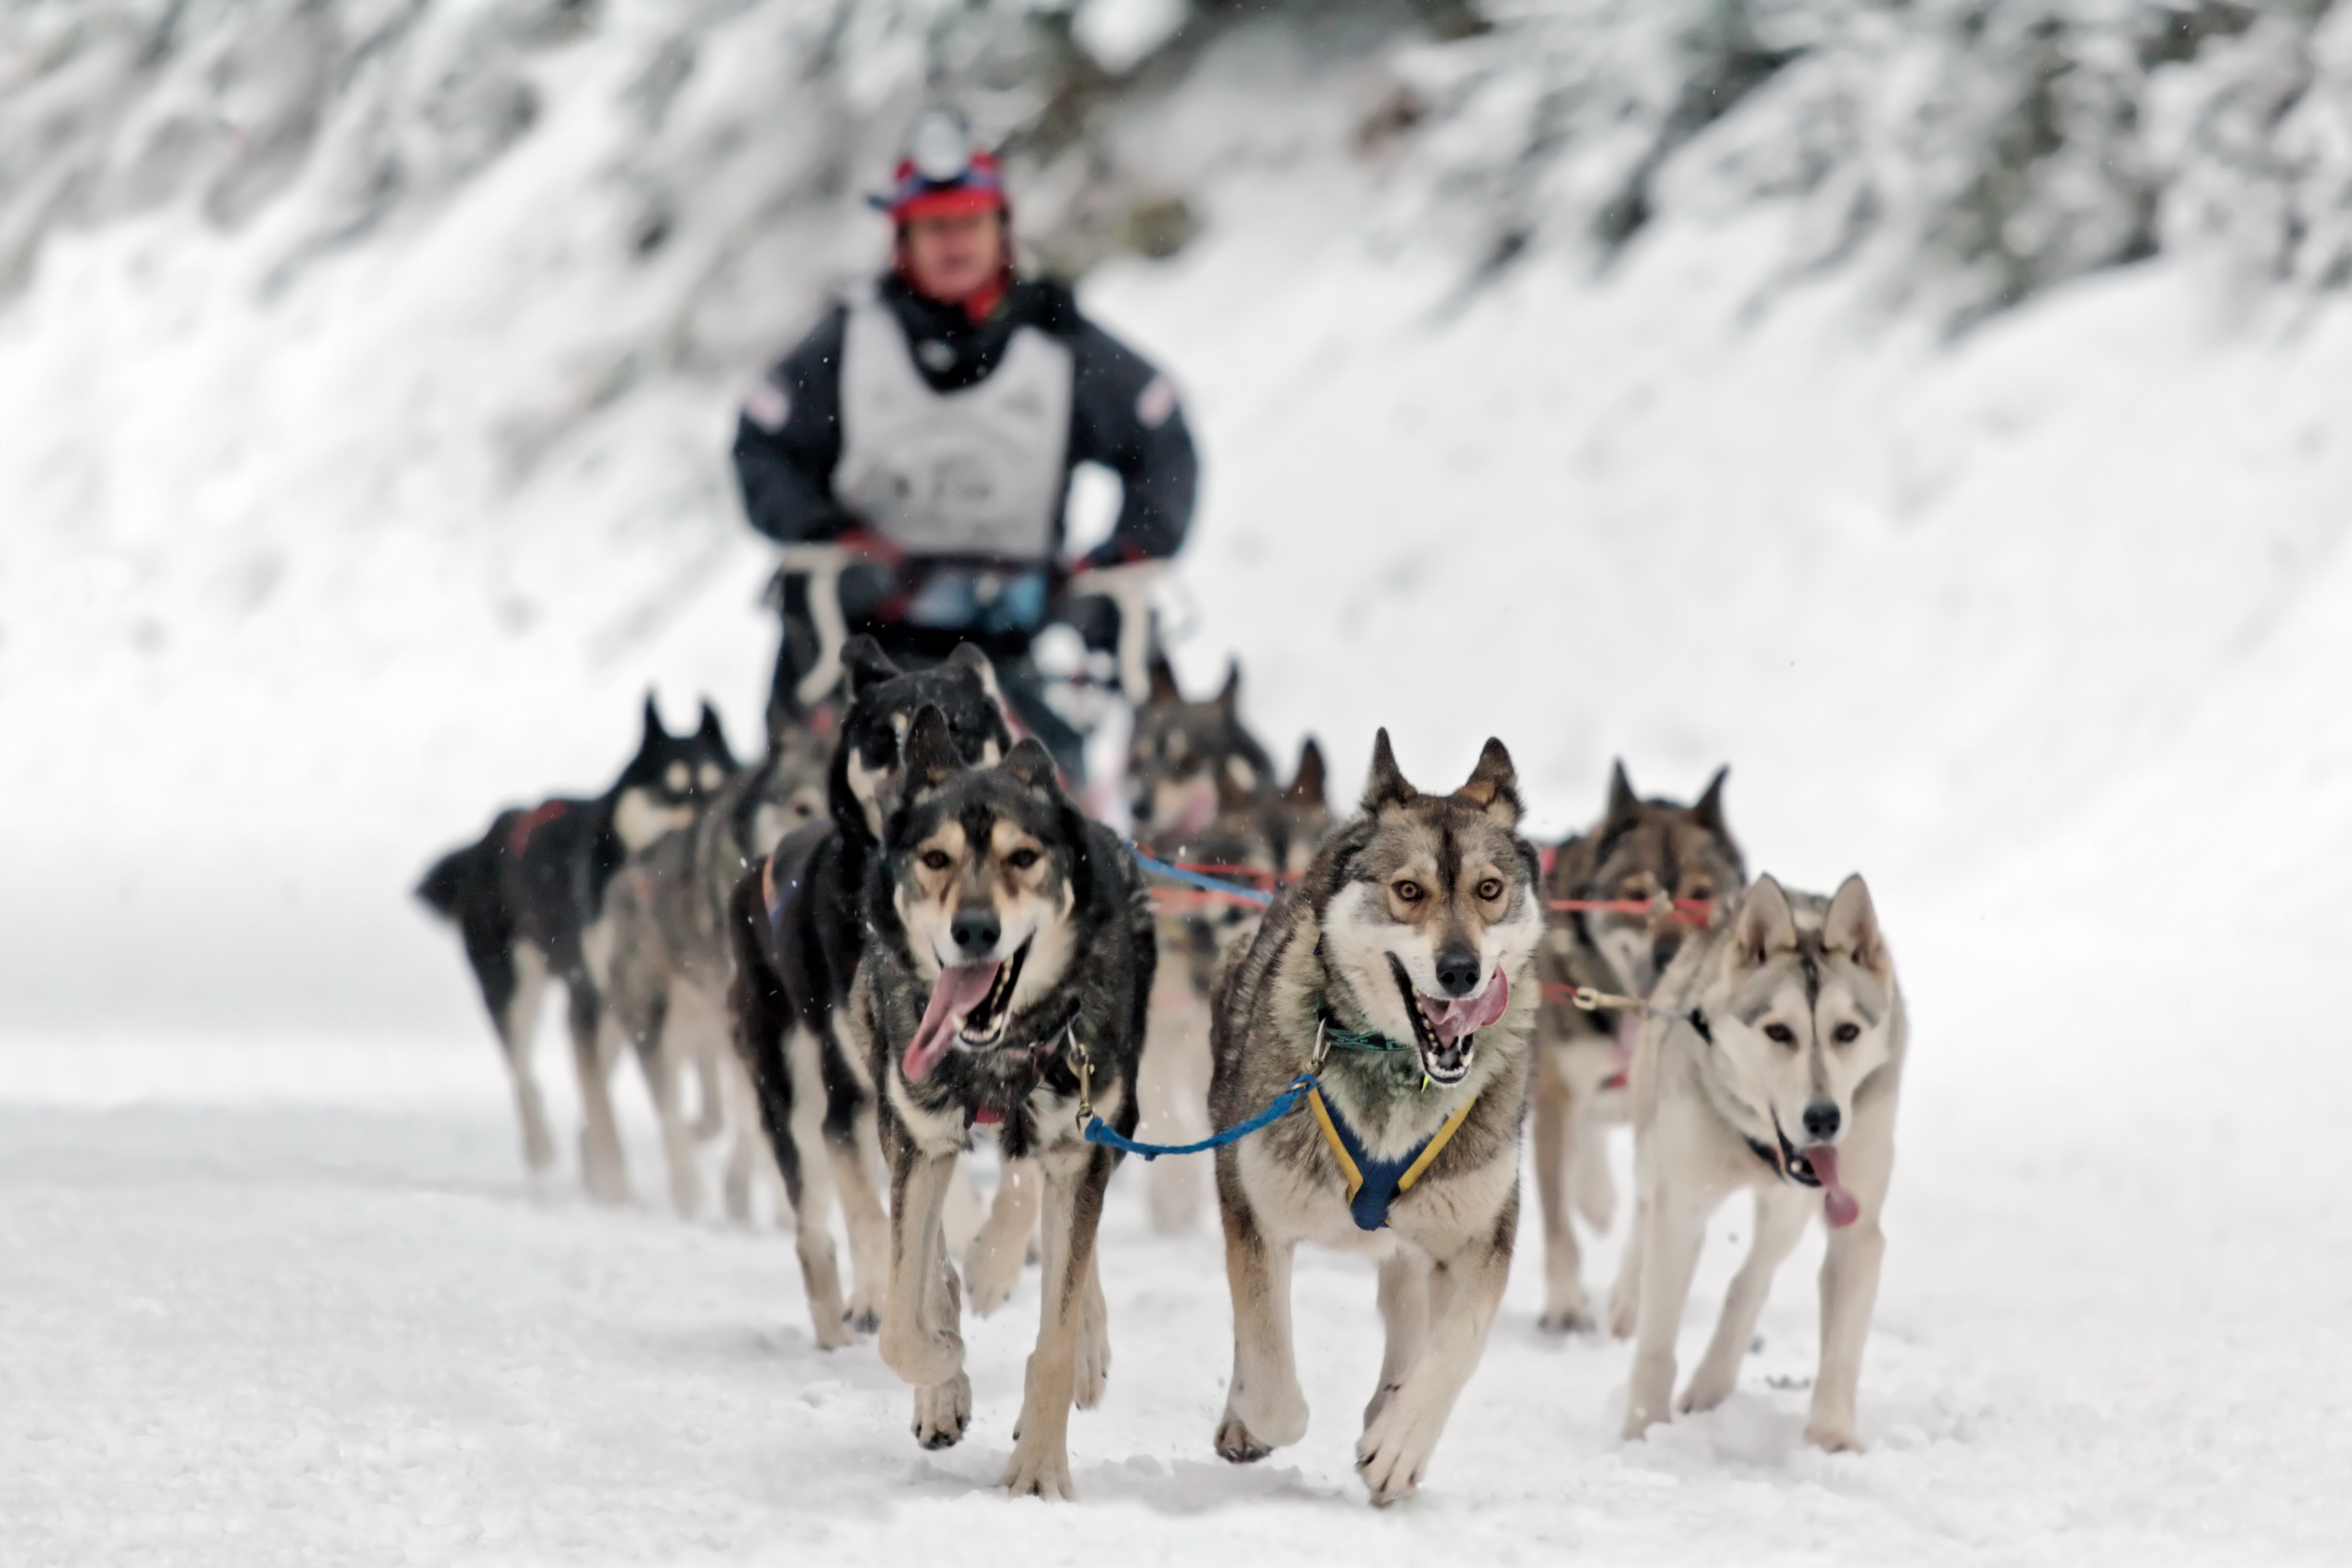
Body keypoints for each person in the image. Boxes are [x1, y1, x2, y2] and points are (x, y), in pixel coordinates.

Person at [733, 109, 1197, 779]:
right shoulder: (846, 344)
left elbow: (1164, 441)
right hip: (865, 650)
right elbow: (762, 444)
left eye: (970, 223)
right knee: (813, 817)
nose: (955, 244)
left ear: (1001, 228)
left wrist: (1128, 552)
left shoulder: (1061, 343)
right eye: (935, 227)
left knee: (1046, 820)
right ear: (902, 238)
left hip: (1013, 651)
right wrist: (821, 532)